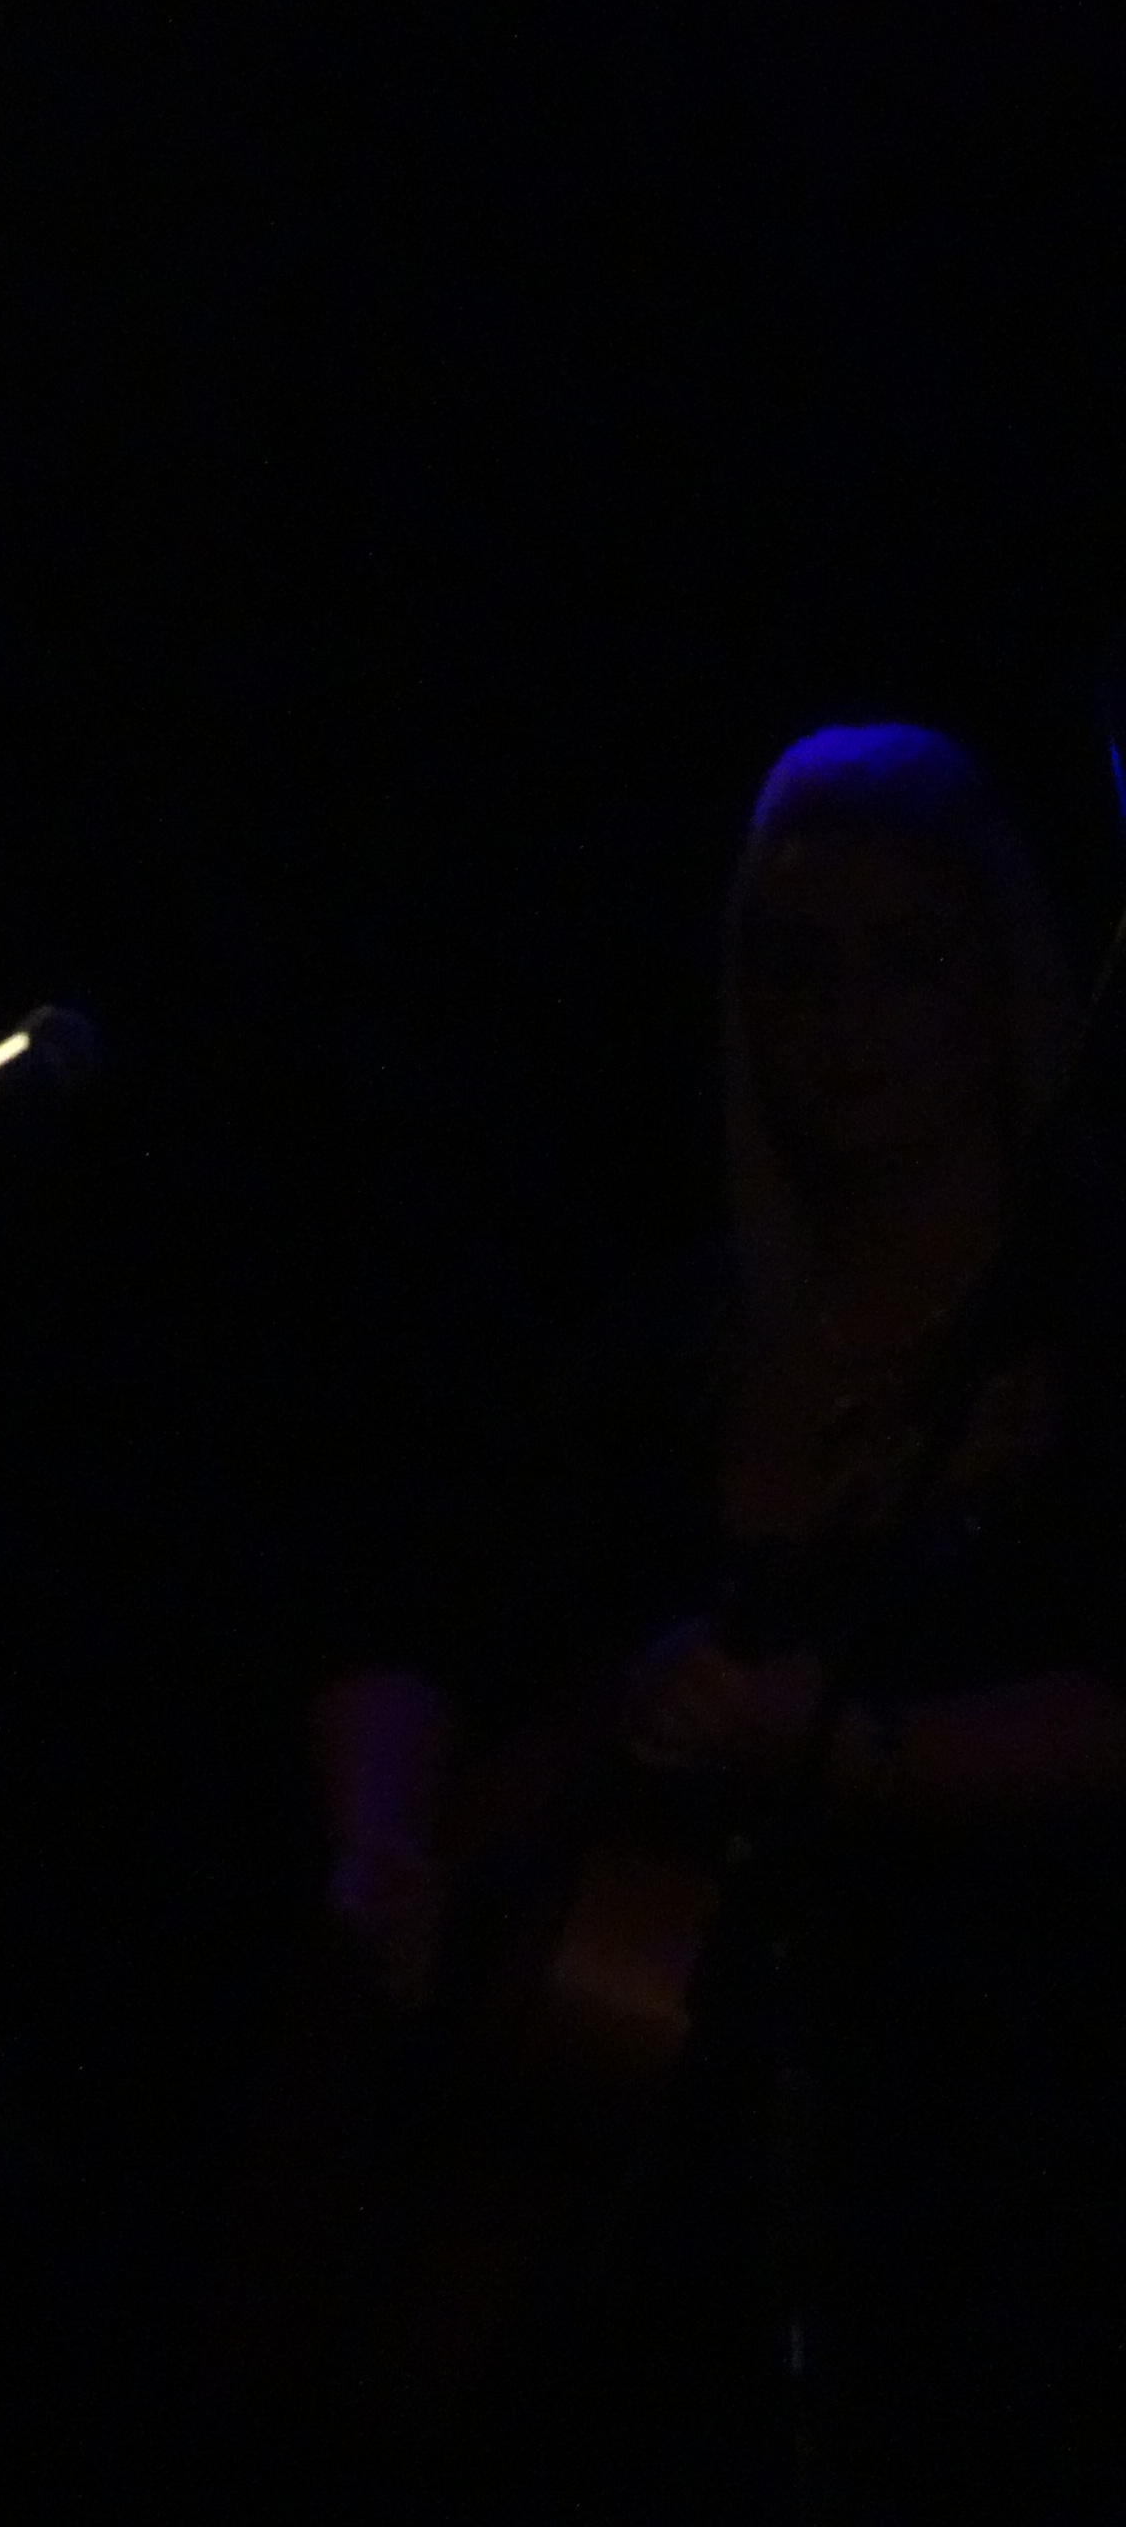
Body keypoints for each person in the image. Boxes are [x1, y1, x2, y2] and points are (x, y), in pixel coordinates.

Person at [302, 724, 1126, 2518]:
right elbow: (415, 1615)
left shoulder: (1093, 1324)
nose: (846, 1020)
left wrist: (855, 1752)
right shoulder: (668, 1350)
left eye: (904, 962)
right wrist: (383, 1841)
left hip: (1020, 2154)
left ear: (1002, 986)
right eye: (795, 966)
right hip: (648, 2208)